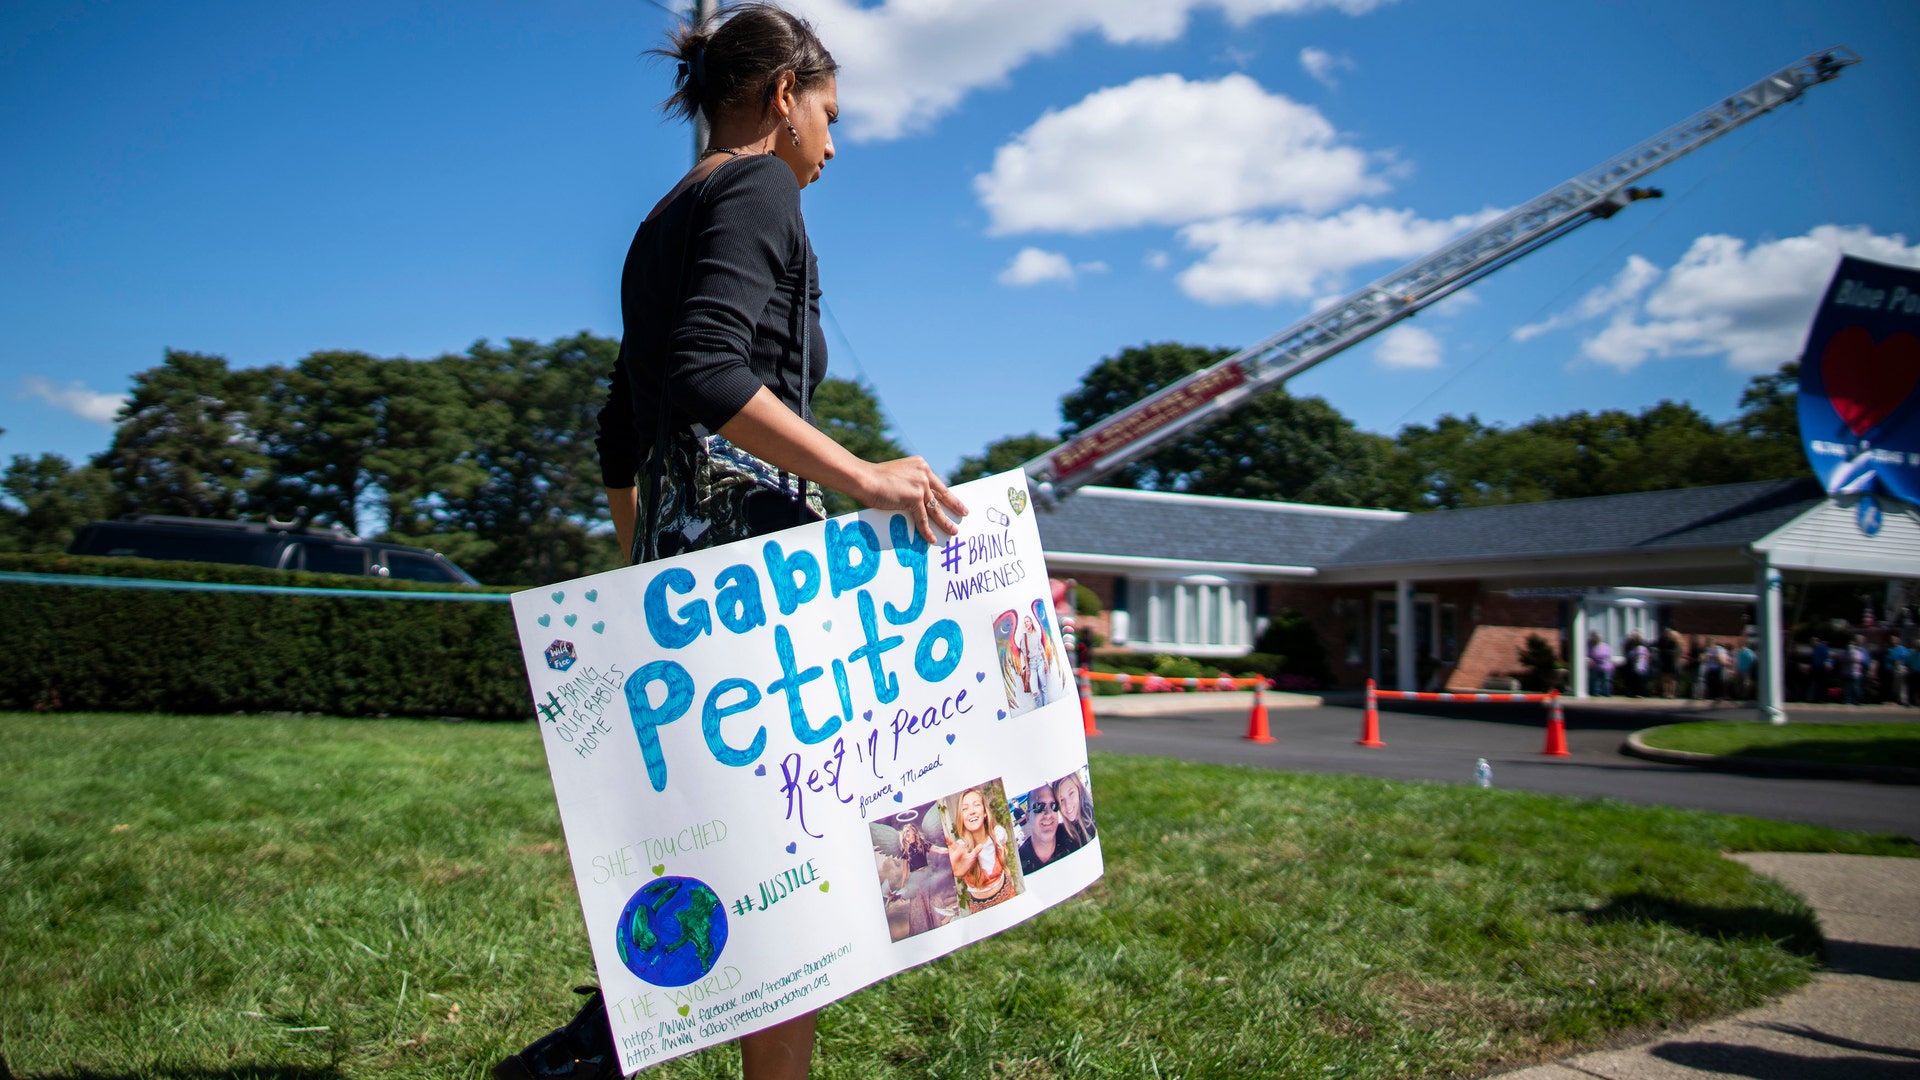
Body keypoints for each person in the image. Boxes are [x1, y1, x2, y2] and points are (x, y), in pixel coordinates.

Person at [495, 8, 965, 1080]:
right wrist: (859, 474)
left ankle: (600, 1046)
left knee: (748, 848)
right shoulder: (757, 189)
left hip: (685, 560)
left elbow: (623, 425)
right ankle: (595, 1053)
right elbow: (712, 374)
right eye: (829, 116)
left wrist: (643, 570)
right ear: (782, 93)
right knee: (801, 866)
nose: (833, 149)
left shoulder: (664, 215)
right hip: (753, 567)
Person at [947, 788, 1016, 912]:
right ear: (961, 818)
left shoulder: (998, 835)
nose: (972, 811)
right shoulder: (961, 848)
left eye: (977, 805)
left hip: (1009, 896)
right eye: (965, 808)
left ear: (984, 812)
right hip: (981, 909)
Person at [1017, 783, 1079, 874]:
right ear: (1028, 816)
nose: (1048, 814)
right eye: (1039, 807)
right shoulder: (1018, 865)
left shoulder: (1073, 834)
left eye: (1054, 805)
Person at [1053, 770, 1096, 847]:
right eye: (1061, 800)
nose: (1068, 805)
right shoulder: (1062, 833)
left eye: (1071, 793)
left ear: (1079, 790)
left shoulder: (1093, 819)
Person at [1888, 635, 1912, 707]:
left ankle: (1904, 701)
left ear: (1898, 641)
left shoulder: (1902, 649)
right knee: (1896, 686)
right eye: (1892, 640)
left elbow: (1906, 657)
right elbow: (1889, 659)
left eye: (1894, 640)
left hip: (1902, 667)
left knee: (1903, 685)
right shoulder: (1891, 650)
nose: (1893, 641)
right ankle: (1897, 700)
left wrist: (1900, 661)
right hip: (1894, 669)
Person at [1587, 632, 1613, 697]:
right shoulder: (1591, 647)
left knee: (1606, 680)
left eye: (1599, 637)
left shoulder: (1605, 646)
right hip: (1595, 667)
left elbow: (1609, 656)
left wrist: (1610, 662)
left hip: (1606, 666)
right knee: (1596, 681)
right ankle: (1596, 693)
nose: (1598, 639)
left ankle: (1607, 693)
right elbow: (1588, 655)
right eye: (1596, 637)